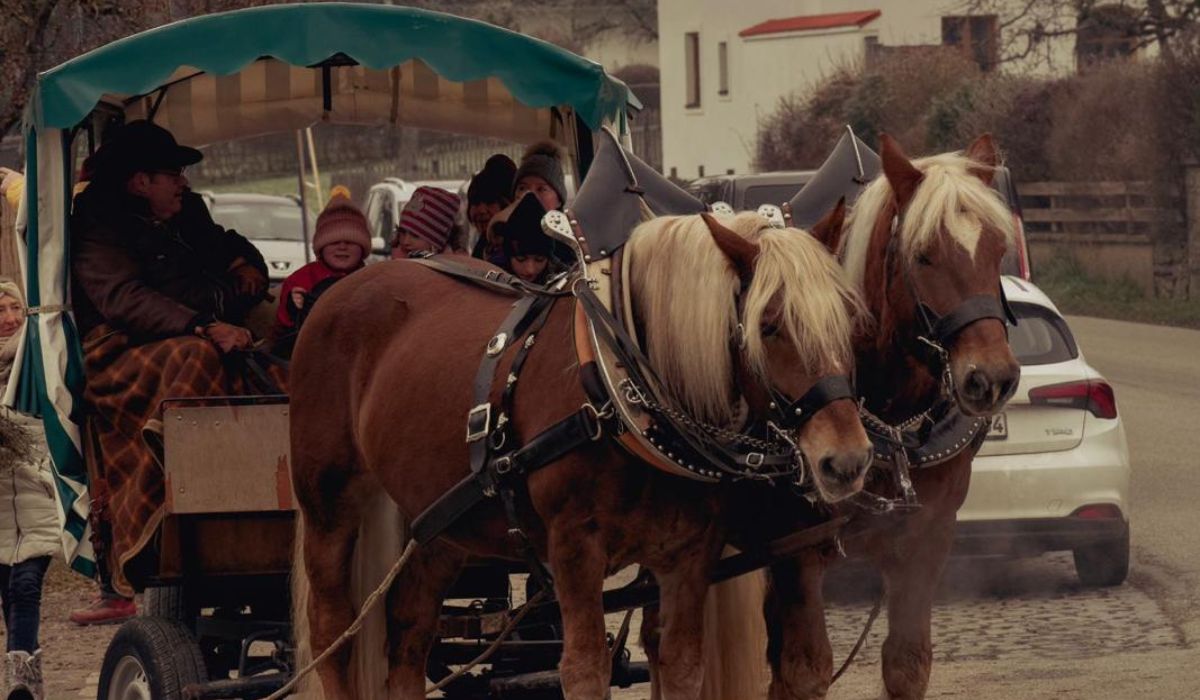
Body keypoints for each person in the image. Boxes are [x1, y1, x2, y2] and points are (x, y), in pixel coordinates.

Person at [69, 119, 273, 601]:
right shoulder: (97, 226)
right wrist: (202, 323)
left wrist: (248, 266)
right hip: (119, 353)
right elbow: (124, 299)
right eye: (173, 173)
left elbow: (227, 244)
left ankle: (265, 497)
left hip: (201, 328)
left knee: (284, 363)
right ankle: (183, 501)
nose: (184, 181)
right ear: (142, 182)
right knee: (195, 357)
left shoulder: (187, 213)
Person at [0, 279, 54, 699]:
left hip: (39, 491)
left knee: (26, 585)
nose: (9, 319)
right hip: (1, 504)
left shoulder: (38, 361)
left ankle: (21, 681)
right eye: (0, 312)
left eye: (15, 308)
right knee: (8, 590)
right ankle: (23, 675)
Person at [275, 186, 369, 336]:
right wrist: (293, 308)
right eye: (333, 242)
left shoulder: (373, 278)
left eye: (350, 242)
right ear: (321, 247)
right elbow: (282, 328)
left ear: (363, 248)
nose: (342, 247)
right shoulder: (299, 280)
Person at [495, 193, 560, 285]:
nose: (530, 270)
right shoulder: (491, 277)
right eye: (520, 259)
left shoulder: (562, 281)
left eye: (539, 259)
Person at [466, 154, 517, 263]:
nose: (481, 210)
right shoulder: (483, 245)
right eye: (475, 202)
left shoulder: (516, 248)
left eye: (490, 202)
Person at [390, 186, 461, 259]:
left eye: (415, 235)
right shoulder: (393, 263)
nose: (406, 241)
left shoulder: (452, 268)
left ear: (435, 243)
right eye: (403, 232)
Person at [513, 140, 568, 212]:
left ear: (559, 200)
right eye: (522, 188)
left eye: (541, 189)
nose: (529, 195)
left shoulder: (571, 222)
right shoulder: (501, 221)